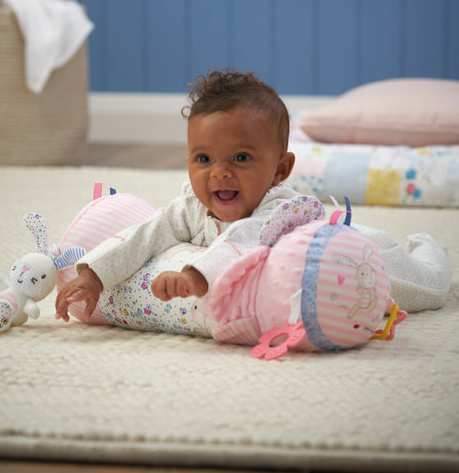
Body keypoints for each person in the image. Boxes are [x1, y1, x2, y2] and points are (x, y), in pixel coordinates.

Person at [55, 69, 326, 323]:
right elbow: (145, 235)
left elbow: (244, 238)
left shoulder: (281, 211)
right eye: (204, 158)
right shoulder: (192, 209)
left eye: (241, 158)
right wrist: (95, 275)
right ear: (188, 161)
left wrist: (195, 276)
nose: (219, 173)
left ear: (280, 169)